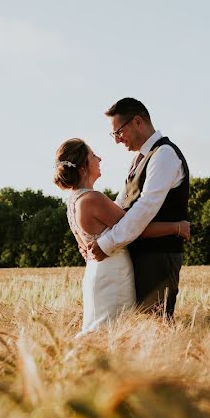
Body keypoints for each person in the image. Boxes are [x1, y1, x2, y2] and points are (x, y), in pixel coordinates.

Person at [54, 138, 190, 334]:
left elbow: (83, 247)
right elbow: (134, 228)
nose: (99, 159)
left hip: (98, 272)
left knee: (104, 330)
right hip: (113, 275)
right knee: (113, 330)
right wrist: (176, 227)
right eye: (93, 156)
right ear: (83, 168)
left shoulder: (74, 201)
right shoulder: (93, 199)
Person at [87, 98, 190, 319]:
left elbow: (145, 208)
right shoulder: (138, 159)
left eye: (118, 132)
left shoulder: (164, 154)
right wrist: (95, 237)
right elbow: (120, 205)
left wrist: (106, 243)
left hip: (158, 256)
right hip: (137, 255)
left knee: (155, 325)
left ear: (137, 122)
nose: (116, 141)